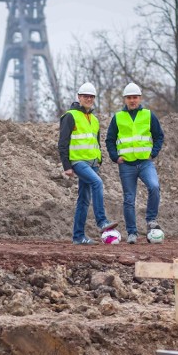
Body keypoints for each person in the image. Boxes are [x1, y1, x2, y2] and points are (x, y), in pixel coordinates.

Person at [58, 82, 118, 245]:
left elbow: (96, 142)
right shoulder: (70, 116)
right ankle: (102, 221)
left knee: (83, 200)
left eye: (91, 97)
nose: (88, 99)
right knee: (97, 183)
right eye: (85, 96)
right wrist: (67, 166)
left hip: (93, 164)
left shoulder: (94, 120)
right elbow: (62, 143)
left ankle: (78, 236)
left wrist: (99, 160)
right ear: (79, 97)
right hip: (78, 161)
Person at [105, 82, 165, 244]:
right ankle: (132, 233)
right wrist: (115, 157)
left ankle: (151, 220)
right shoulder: (118, 117)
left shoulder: (148, 115)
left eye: (135, 97)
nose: (132, 100)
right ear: (125, 99)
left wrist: (153, 153)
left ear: (140, 98)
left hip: (145, 162)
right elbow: (109, 140)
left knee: (154, 186)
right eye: (129, 97)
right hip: (126, 165)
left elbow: (159, 136)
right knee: (129, 199)